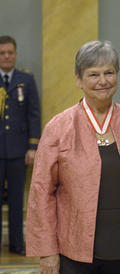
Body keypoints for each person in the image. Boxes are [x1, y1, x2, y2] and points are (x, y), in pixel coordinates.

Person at [26, 40, 120, 274]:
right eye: (93, 74)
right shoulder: (58, 128)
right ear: (79, 79)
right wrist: (47, 251)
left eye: (109, 72)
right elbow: (41, 192)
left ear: (117, 75)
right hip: (73, 252)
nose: (102, 81)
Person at [0, 35, 41, 255]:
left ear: (15, 54)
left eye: (10, 52)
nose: (6, 56)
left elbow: (34, 114)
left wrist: (33, 147)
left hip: (18, 152)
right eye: (2, 52)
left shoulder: (26, 79)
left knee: (17, 201)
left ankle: (17, 244)